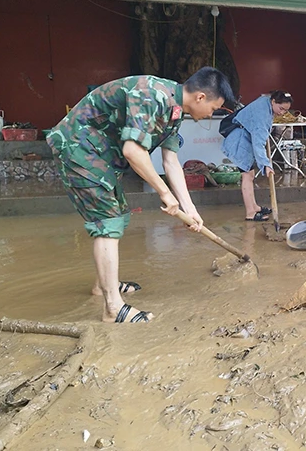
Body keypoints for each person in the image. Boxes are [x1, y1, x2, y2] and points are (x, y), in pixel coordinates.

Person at [47, 67, 233, 323]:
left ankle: (103, 286)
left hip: (99, 153)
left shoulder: (175, 110)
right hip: (78, 146)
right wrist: (165, 193)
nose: (212, 114)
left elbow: (171, 162)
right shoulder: (152, 94)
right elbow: (133, 152)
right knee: (107, 222)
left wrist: (190, 209)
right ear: (201, 97)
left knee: (118, 217)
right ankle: (112, 307)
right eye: (214, 108)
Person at [221, 91, 293, 221]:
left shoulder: (266, 101)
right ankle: (250, 213)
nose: (282, 113)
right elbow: (258, 143)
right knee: (247, 176)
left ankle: (254, 207)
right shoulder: (263, 116)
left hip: (244, 136)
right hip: (239, 140)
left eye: (285, 111)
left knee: (250, 174)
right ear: (273, 101)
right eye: (280, 108)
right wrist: (266, 164)